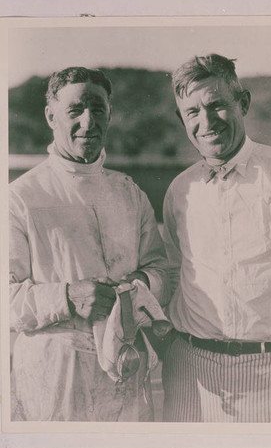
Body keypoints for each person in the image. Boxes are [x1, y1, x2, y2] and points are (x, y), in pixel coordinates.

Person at [162, 54, 271, 423]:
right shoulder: (179, 190)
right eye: (192, 112)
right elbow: (174, 274)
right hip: (191, 373)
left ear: (244, 103)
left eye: (217, 105)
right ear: (181, 119)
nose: (207, 122)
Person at [10, 67, 169, 421]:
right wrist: (70, 296)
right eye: (75, 110)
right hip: (54, 380)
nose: (88, 121)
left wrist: (140, 288)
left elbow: (162, 271)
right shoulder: (20, 198)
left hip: (125, 372)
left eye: (98, 109)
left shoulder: (129, 192)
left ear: (109, 113)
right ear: (51, 116)